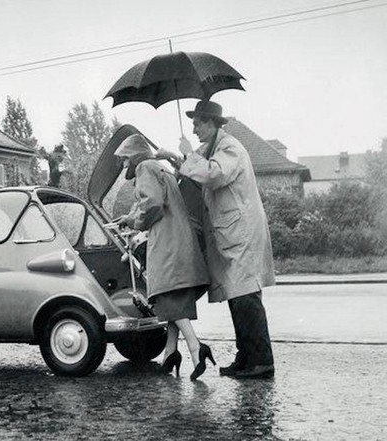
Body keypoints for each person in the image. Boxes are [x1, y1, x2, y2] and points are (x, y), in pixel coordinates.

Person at [157, 100, 275, 379]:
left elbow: (214, 173)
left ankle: (261, 361)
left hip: (241, 232)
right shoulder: (213, 149)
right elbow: (199, 172)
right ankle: (246, 358)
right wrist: (175, 157)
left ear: (212, 123)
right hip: (233, 232)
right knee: (237, 296)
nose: (194, 128)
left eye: (198, 122)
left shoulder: (229, 147)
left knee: (246, 296)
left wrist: (186, 154)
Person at [114, 133, 214, 380]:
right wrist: (130, 218)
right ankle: (170, 353)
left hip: (166, 240)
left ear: (134, 156)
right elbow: (160, 200)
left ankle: (196, 347)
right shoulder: (162, 169)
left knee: (166, 295)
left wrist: (136, 223)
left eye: (125, 160)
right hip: (180, 237)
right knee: (173, 297)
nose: (124, 165)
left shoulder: (145, 167)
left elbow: (153, 204)